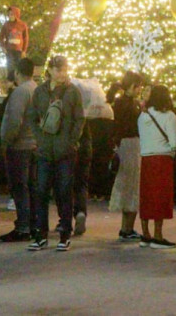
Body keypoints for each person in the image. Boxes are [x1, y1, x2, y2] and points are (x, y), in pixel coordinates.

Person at [25, 56, 85, 252]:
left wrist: (71, 141)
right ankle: (41, 234)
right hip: (44, 150)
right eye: (58, 70)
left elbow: (79, 119)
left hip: (64, 150)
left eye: (64, 69)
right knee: (41, 191)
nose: (62, 73)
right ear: (49, 70)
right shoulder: (40, 92)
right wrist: (39, 138)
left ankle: (64, 233)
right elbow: (32, 117)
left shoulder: (72, 92)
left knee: (64, 192)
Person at [137, 84, 176, 249]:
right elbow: (175, 142)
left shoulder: (143, 116)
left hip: (146, 158)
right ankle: (158, 235)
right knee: (160, 197)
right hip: (162, 160)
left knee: (147, 196)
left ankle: (145, 234)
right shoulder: (169, 116)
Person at [0, 58, 37, 243]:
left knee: (19, 187)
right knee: (32, 187)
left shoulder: (20, 92)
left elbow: (14, 120)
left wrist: (6, 141)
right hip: (35, 144)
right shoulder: (37, 89)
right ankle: (33, 224)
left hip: (20, 145)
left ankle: (23, 226)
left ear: (16, 72)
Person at [72, 77, 111, 236]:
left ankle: (65, 220)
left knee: (65, 184)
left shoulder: (70, 111)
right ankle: (80, 212)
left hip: (69, 147)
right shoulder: (87, 116)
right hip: (85, 148)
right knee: (81, 183)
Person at [108, 71, 144, 240]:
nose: (140, 90)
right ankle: (127, 228)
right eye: (139, 86)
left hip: (124, 146)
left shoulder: (119, 103)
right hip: (132, 146)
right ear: (132, 86)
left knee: (127, 186)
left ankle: (126, 227)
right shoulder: (130, 105)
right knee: (134, 187)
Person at [0, 6, 29, 85]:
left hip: (19, 50)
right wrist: (3, 47)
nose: (10, 16)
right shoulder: (6, 25)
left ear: (16, 14)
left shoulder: (22, 25)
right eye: (9, 14)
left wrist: (24, 50)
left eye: (12, 14)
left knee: (19, 66)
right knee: (10, 66)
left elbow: (25, 38)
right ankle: (10, 84)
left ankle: (18, 83)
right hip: (9, 50)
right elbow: (1, 36)